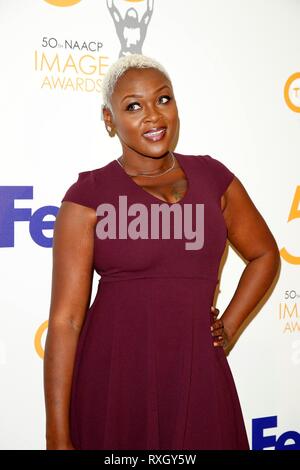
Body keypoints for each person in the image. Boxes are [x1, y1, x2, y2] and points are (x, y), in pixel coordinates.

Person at [43, 54, 280, 450]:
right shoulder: (87, 196)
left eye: (163, 99)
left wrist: (231, 327)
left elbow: (265, 255)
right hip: (115, 376)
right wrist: (57, 434)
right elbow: (66, 321)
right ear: (109, 120)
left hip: (197, 372)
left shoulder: (214, 179)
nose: (153, 116)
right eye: (133, 106)